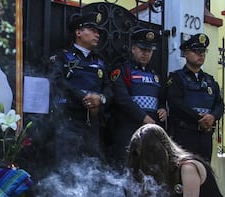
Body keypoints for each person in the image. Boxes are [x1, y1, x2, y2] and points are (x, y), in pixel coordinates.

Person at [48, 12, 113, 163]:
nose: (97, 35)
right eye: (93, 30)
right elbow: (57, 81)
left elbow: (109, 88)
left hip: (93, 122)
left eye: (98, 32)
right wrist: (83, 98)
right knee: (67, 166)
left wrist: (100, 99)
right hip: (68, 120)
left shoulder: (101, 61)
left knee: (92, 167)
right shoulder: (63, 57)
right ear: (78, 32)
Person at [110, 28, 167, 165]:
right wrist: (142, 117)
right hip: (128, 129)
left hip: (151, 130)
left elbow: (161, 98)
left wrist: (162, 109)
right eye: (142, 49)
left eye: (149, 51)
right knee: (126, 169)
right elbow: (122, 99)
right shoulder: (123, 70)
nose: (145, 54)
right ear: (133, 49)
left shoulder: (155, 75)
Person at [166, 33, 224, 163]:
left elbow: (219, 104)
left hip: (205, 135)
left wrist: (213, 117)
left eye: (203, 51)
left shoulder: (210, 80)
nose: (201, 54)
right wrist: (199, 119)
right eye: (197, 51)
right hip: (185, 134)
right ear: (186, 54)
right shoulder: (176, 78)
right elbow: (175, 103)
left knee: (205, 174)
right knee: (184, 172)